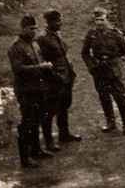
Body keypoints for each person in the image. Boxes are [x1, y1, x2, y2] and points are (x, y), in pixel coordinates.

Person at [7, 14, 53, 168]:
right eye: (30, 29)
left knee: (37, 120)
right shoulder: (17, 47)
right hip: (26, 91)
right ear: (23, 29)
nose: (34, 31)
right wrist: (39, 68)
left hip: (38, 88)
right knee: (27, 122)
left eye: (35, 28)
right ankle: (25, 157)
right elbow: (18, 69)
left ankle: (37, 150)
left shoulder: (34, 45)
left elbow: (38, 61)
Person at [81, 8, 125, 134]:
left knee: (119, 95)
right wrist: (91, 65)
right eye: (97, 20)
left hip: (113, 68)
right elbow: (85, 53)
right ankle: (110, 121)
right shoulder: (91, 35)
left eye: (102, 20)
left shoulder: (115, 34)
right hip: (99, 69)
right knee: (104, 96)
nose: (99, 22)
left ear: (107, 19)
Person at [38, 9, 81, 147]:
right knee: (50, 110)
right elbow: (43, 61)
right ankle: (49, 141)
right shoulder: (43, 39)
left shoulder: (57, 36)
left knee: (64, 106)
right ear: (49, 22)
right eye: (56, 21)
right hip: (55, 80)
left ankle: (64, 134)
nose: (59, 23)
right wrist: (53, 76)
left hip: (66, 77)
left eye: (59, 20)